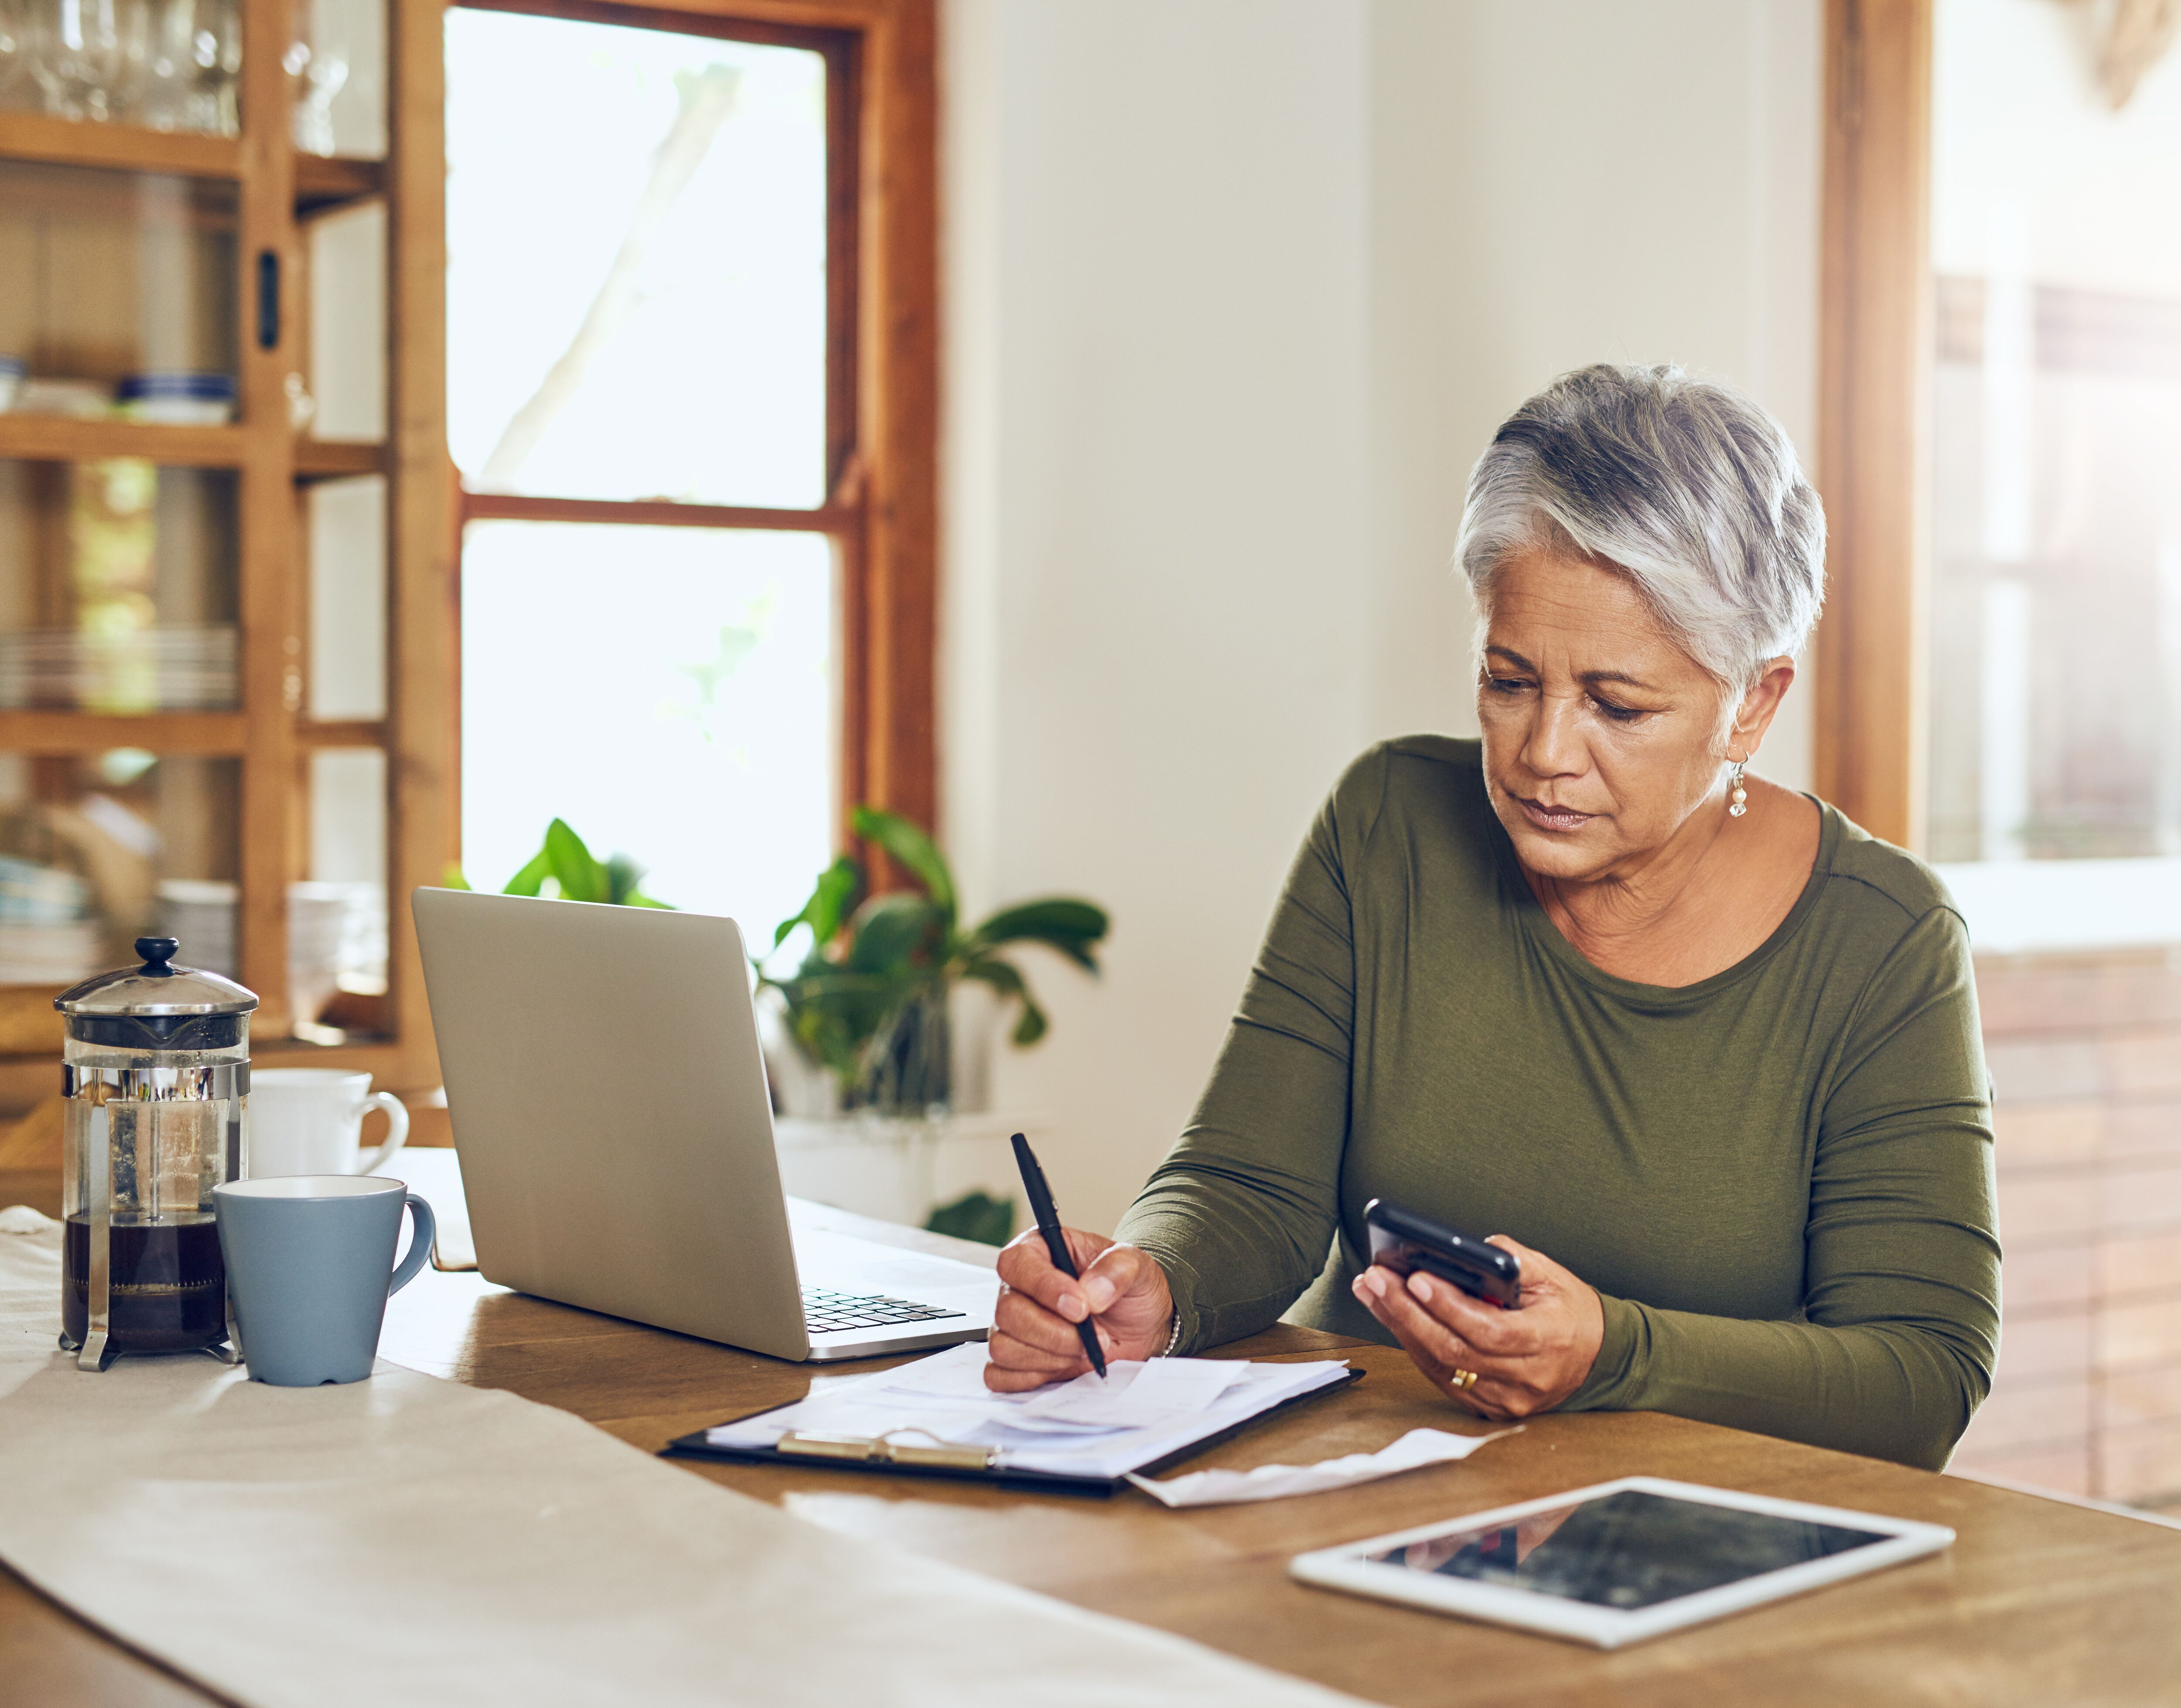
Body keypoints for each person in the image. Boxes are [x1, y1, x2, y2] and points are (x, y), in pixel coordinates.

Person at [982, 364, 2000, 1472]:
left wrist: (1614, 1351)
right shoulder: (1389, 823)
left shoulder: (1885, 939)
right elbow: (1247, 1182)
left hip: (1694, 1557)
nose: (1544, 753)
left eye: (1617, 705)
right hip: (1352, 1494)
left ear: (1752, 702)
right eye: (1510, 681)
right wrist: (1158, 1286)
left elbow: (1919, 1374)